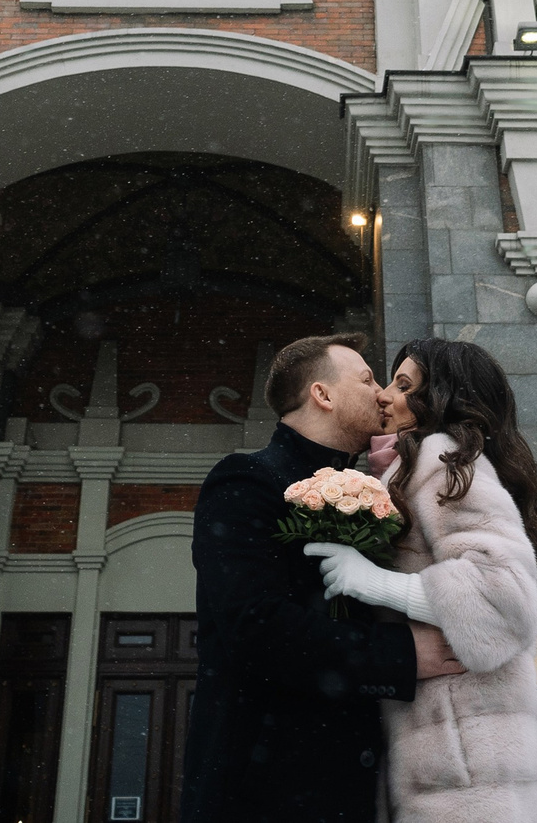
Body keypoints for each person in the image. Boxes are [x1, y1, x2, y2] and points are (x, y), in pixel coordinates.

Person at [182, 332, 467, 823]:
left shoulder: (384, 492)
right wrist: (401, 654)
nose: (382, 393)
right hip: (268, 789)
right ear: (323, 394)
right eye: (367, 379)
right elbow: (255, 624)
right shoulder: (246, 481)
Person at [304, 337, 537, 823]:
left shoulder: (443, 460)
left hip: (469, 779)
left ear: (439, 401)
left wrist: (372, 583)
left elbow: (504, 600)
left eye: (402, 385)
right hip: (456, 765)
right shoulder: (412, 469)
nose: (383, 394)